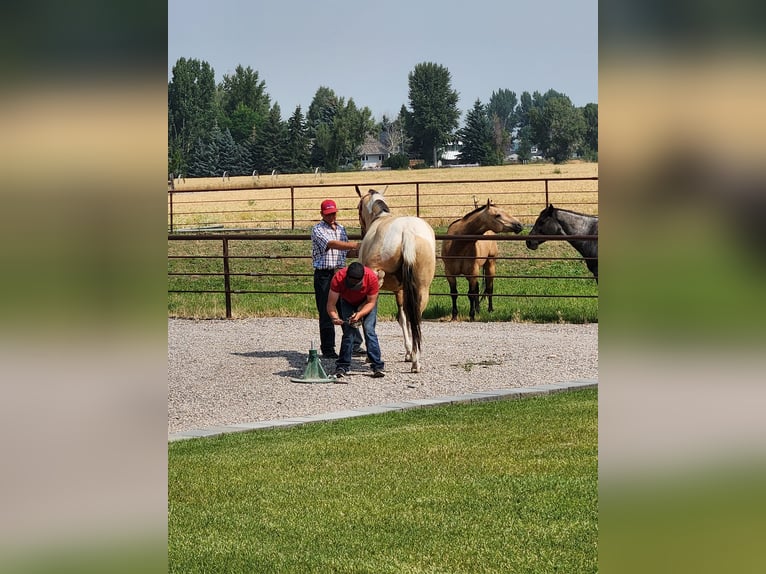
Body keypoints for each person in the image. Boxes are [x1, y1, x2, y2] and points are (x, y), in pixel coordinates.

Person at [311, 199, 365, 359]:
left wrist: (360, 253)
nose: (332, 216)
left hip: (341, 273)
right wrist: (357, 246)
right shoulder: (317, 229)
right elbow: (332, 244)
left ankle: (354, 344)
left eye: (333, 213)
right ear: (322, 214)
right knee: (327, 310)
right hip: (325, 275)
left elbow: (344, 251)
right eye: (328, 214)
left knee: (347, 308)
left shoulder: (341, 228)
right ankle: (328, 348)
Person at [327, 262, 385, 379]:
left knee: (369, 330)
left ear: (363, 278)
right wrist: (334, 317)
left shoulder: (371, 278)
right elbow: (331, 304)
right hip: (347, 302)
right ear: (346, 276)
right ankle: (342, 366)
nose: (354, 286)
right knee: (349, 332)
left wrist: (359, 314)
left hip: (366, 302)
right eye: (351, 283)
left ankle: (377, 365)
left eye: (356, 284)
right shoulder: (338, 278)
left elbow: (371, 302)